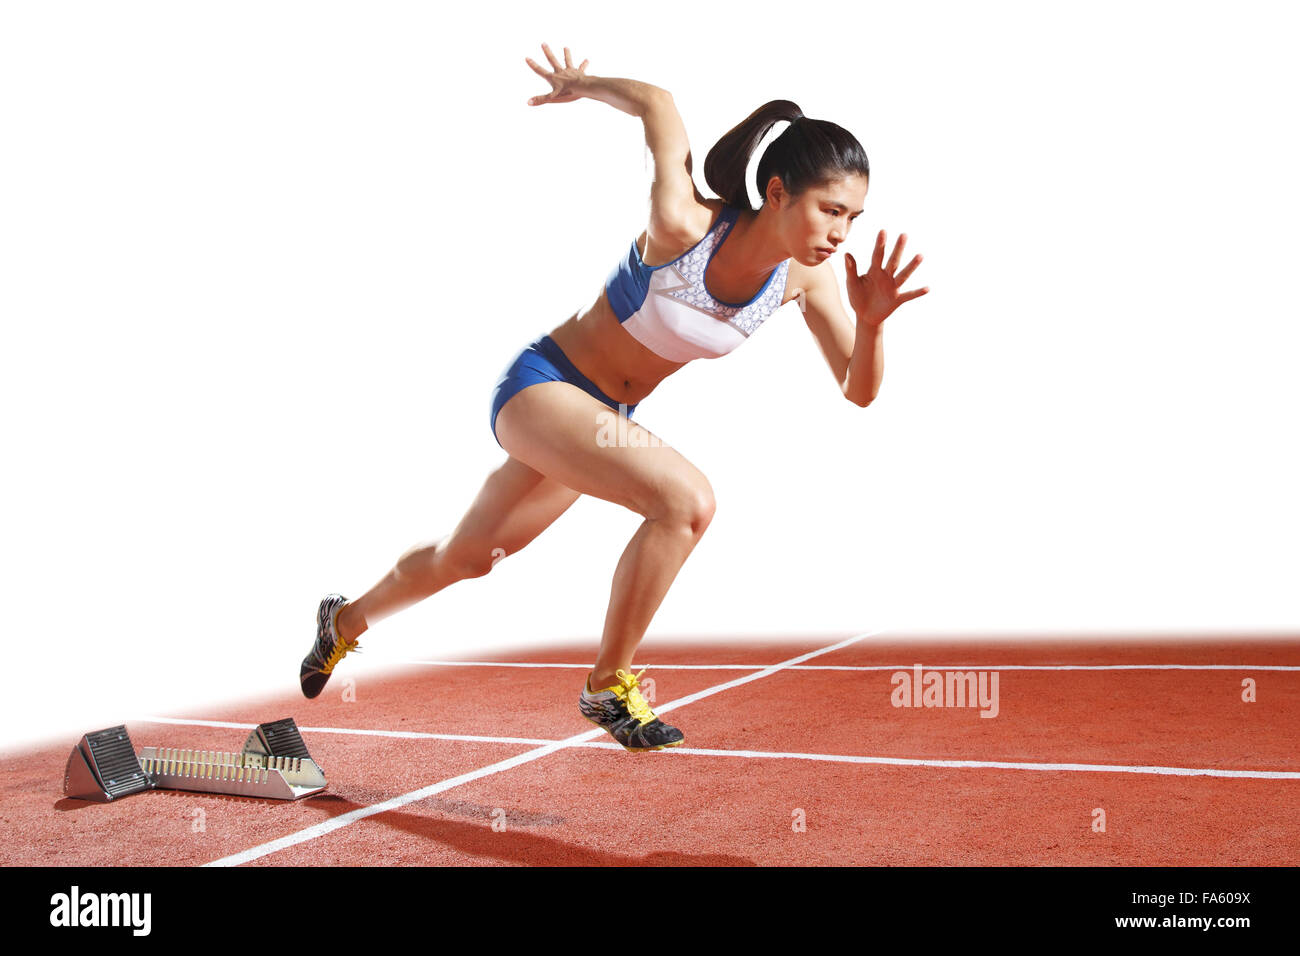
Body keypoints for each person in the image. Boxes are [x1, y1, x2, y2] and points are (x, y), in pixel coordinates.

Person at [299, 43, 929, 752]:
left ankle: (342, 623)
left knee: (469, 556)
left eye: (854, 217)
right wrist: (583, 84)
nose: (841, 233)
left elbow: (858, 390)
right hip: (545, 388)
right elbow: (658, 102)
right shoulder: (684, 225)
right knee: (686, 501)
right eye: (830, 210)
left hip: (600, 423)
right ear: (778, 191)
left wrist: (871, 325)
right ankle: (608, 685)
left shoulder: (804, 282)